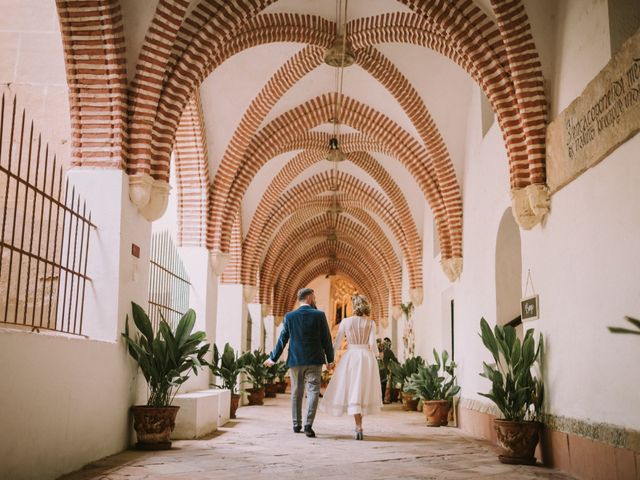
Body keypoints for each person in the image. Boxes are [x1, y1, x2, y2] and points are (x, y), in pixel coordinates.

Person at [265, 287, 334, 438]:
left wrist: (273, 358)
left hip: (296, 360)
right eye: (314, 298)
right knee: (313, 391)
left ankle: (296, 424)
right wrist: (330, 360)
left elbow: (283, 339)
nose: (314, 300)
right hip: (315, 360)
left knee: (296, 391)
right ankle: (308, 425)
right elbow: (327, 339)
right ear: (309, 298)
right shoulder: (319, 315)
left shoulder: (290, 316)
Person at [319, 295, 382, 440]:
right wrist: (377, 356)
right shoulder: (371, 323)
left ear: (353, 306)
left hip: (351, 356)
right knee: (362, 390)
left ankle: (358, 425)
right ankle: (359, 425)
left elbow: (337, 342)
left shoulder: (346, 322)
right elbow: (373, 344)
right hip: (366, 357)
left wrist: (330, 360)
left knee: (353, 389)